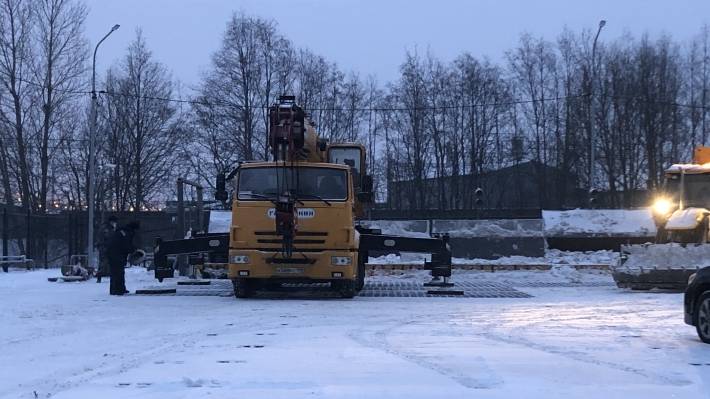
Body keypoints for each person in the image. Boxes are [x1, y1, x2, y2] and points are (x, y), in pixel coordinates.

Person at [107, 221, 140, 295]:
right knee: (118, 272)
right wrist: (134, 250)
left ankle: (115, 289)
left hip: (112, 252)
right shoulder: (127, 233)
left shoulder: (122, 231)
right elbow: (126, 245)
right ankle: (118, 289)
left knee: (115, 272)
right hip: (117, 254)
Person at [96, 215, 118, 283]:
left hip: (108, 247)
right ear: (111, 221)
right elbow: (105, 238)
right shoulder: (106, 228)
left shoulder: (110, 228)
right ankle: (99, 276)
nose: (115, 223)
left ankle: (110, 276)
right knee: (103, 262)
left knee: (108, 262)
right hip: (104, 247)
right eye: (114, 222)